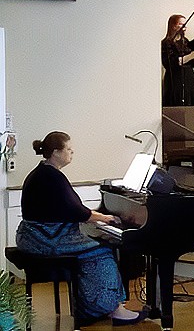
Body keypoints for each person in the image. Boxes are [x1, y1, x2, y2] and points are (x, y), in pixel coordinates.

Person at [16, 132, 145, 327]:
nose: (72, 152)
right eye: (68, 149)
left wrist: (95, 218)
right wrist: (103, 217)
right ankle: (111, 309)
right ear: (56, 152)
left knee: (95, 247)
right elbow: (74, 210)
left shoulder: (44, 172)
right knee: (102, 251)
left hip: (33, 235)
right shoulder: (51, 176)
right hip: (44, 239)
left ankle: (90, 308)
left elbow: (65, 209)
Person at [161, 14, 194, 106]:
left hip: (188, 77)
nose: (184, 27)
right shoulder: (166, 43)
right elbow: (170, 63)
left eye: (185, 24)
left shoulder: (186, 41)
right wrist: (191, 56)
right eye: (181, 24)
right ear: (173, 25)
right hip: (176, 79)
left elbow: (193, 63)